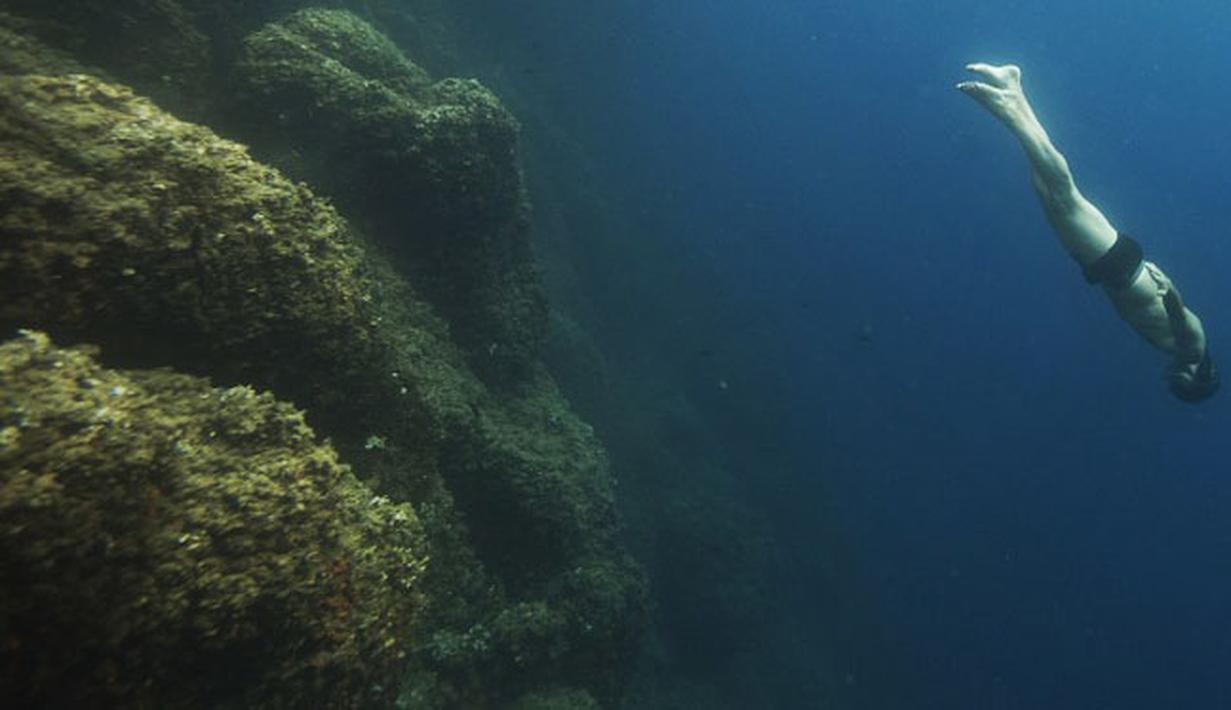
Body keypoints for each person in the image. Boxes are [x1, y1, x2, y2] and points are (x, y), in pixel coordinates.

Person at [956, 63, 1219, 403]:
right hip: (1123, 269)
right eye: (1183, 383)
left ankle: (1014, 91)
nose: (1175, 378)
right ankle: (1009, 110)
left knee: (1047, 193)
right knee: (1064, 196)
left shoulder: (1177, 352)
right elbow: (1180, 316)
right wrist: (1170, 293)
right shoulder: (1194, 346)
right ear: (1201, 376)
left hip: (1111, 271)